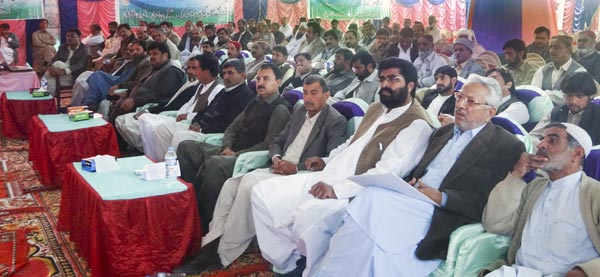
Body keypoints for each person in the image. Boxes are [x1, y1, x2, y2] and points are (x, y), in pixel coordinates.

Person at [313, 74, 524, 276]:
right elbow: (418, 171)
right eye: (459, 97)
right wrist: (409, 182)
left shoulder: (505, 145)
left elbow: (487, 202)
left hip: (443, 212)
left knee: (371, 200)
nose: (460, 105)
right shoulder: (443, 132)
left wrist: (441, 197)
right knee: (364, 233)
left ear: (490, 112)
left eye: (471, 101)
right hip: (412, 196)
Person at [251, 57, 436, 275]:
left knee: (307, 215)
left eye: (393, 79)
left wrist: (338, 190)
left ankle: (310, 267)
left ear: (411, 85)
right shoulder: (377, 107)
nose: (385, 85)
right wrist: (326, 160)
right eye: (382, 79)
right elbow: (352, 143)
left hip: (355, 192)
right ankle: (289, 260)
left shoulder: (417, 124)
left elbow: (387, 172)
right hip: (329, 173)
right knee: (262, 194)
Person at [174, 75, 347, 274]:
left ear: (327, 95)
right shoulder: (299, 110)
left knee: (248, 185)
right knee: (231, 185)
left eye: (314, 93)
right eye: (305, 93)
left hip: (300, 177)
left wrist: (296, 167)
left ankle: (225, 253)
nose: (308, 98)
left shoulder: (335, 121)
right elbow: (278, 140)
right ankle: (212, 240)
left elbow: (331, 160)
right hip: (277, 167)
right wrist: (276, 159)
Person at [175, 63, 292, 234]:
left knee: (215, 165)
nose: (260, 82)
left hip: (250, 157)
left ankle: (207, 219)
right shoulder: (255, 101)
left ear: (278, 82)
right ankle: (193, 203)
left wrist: (235, 154)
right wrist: (227, 146)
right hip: (230, 150)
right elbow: (233, 127)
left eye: (266, 79)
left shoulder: (280, 109)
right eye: (258, 78)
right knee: (186, 147)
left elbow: (269, 145)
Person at [483, 123, 598, 277]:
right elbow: (495, 224)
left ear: (577, 154)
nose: (541, 144)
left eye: (552, 140)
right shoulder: (534, 188)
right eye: (542, 139)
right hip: (517, 272)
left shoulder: (594, 194)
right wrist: (516, 174)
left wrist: (585, 272)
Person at [117, 53, 224, 153]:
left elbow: (207, 113)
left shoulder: (218, 88)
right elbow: (189, 103)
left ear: (207, 72)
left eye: (198, 68)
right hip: (180, 118)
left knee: (158, 128)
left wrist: (187, 116)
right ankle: (150, 155)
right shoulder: (202, 84)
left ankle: (161, 160)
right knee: (142, 120)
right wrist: (179, 115)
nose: (195, 72)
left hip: (192, 122)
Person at [150, 58, 255, 161]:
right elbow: (203, 111)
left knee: (180, 136)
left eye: (230, 73)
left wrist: (201, 130)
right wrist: (196, 122)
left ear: (243, 75)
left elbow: (228, 124)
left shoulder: (245, 96)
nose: (226, 77)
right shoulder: (224, 91)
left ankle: (175, 171)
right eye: (224, 73)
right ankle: (163, 164)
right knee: (163, 129)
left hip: (210, 133)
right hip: (198, 127)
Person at [107, 42, 186, 123]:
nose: (151, 57)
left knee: (115, 118)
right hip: (134, 100)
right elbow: (140, 85)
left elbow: (159, 97)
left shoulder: (172, 71)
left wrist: (135, 101)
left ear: (165, 55)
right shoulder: (153, 67)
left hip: (149, 108)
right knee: (108, 100)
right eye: (150, 54)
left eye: (155, 54)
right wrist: (127, 92)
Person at [531, 72, 600, 145]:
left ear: (591, 96)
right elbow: (533, 136)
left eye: (579, 96)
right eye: (569, 95)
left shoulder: (597, 115)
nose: (573, 101)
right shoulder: (556, 112)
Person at [531, 35, 586, 106]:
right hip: (542, 113)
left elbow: (570, 98)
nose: (551, 51)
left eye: (556, 47)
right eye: (550, 47)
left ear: (568, 50)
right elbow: (534, 93)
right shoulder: (543, 70)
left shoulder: (579, 72)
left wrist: (543, 93)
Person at [44, 28, 90, 97]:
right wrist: (50, 67)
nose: (69, 38)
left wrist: (64, 71)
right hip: (58, 72)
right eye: (68, 36)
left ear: (79, 37)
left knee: (55, 68)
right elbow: (53, 59)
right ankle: (50, 98)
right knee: (51, 76)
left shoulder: (84, 49)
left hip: (73, 74)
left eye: (72, 36)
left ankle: (47, 98)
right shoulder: (63, 47)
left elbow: (80, 65)